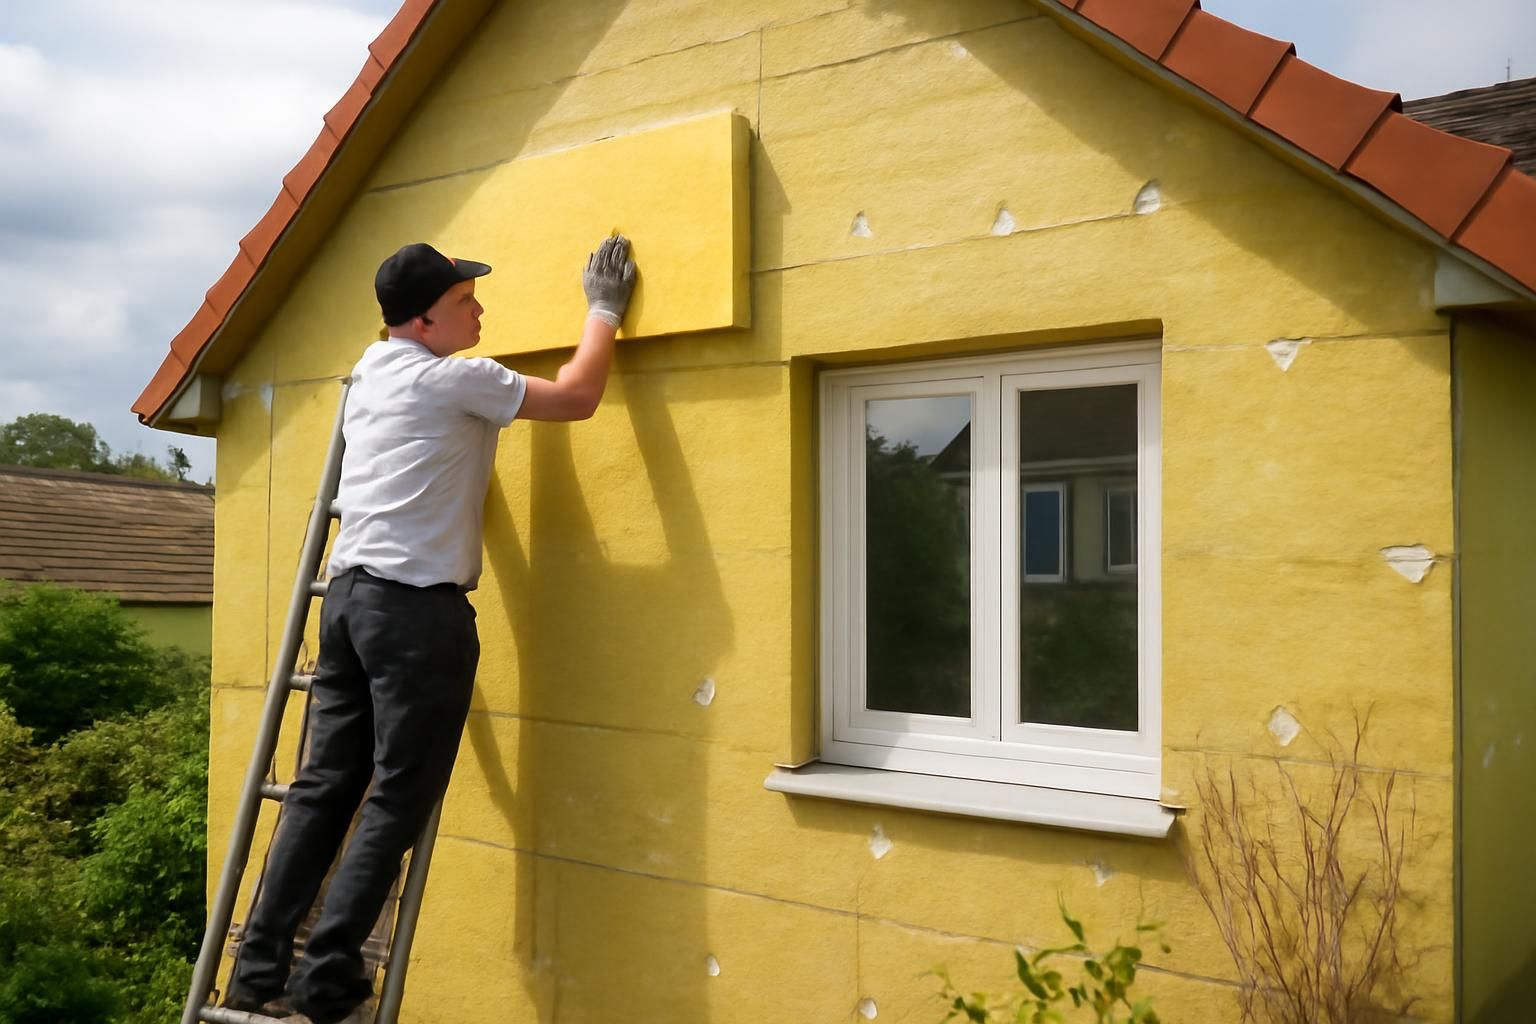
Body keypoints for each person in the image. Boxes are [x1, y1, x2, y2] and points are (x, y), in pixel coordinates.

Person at [223, 235, 638, 1024]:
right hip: (415, 613)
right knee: (398, 795)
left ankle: (258, 971)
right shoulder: (459, 381)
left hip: (345, 604)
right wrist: (603, 310)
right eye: (462, 302)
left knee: (320, 790)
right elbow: (579, 397)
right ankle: (329, 976)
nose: (480, 309)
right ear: (421, 320)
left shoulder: (372, 374)